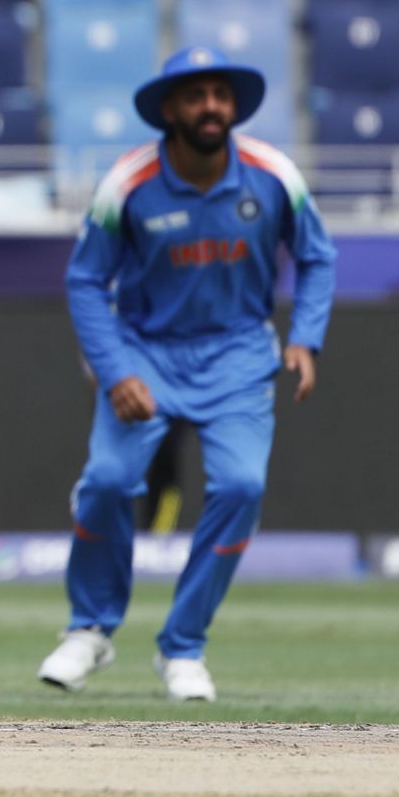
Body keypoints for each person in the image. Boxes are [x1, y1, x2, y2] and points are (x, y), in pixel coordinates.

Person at [38, 47, 336, 702]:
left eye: (221, 95)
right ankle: (90, 626)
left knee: (240, 485)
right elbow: (86, 280)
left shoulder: (273, 174)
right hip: (146, 349)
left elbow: (318, 257)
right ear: (169, 108)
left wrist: (306, 338)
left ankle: (184, 646)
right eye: (196, 95)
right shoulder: (129, 181)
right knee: (110, 481)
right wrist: (115, 369)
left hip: (238, 354)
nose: (211, 107)